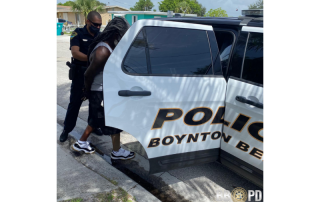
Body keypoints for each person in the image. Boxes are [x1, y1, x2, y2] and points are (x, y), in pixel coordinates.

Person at [71, 17, 135, 160]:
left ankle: (86, 143)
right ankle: (85, 143)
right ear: (117, 32)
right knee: (105, 120)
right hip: (99, 91)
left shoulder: (107, 45)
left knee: (101, 119)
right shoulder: (103, 50)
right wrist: (87, 91)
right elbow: (88, 73)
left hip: (104, 90)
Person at [60, 11, 104, 142]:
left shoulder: (100, 36)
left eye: (100, 25)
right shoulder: (77, 33)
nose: (97, 28)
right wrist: (93, 60)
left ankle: (93, 126)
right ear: (88, 22)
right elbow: (75, 53)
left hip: (95, 74)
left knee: (94, 104)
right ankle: (66, 130)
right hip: (80, 74)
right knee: (75, 104)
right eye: (95, 25)